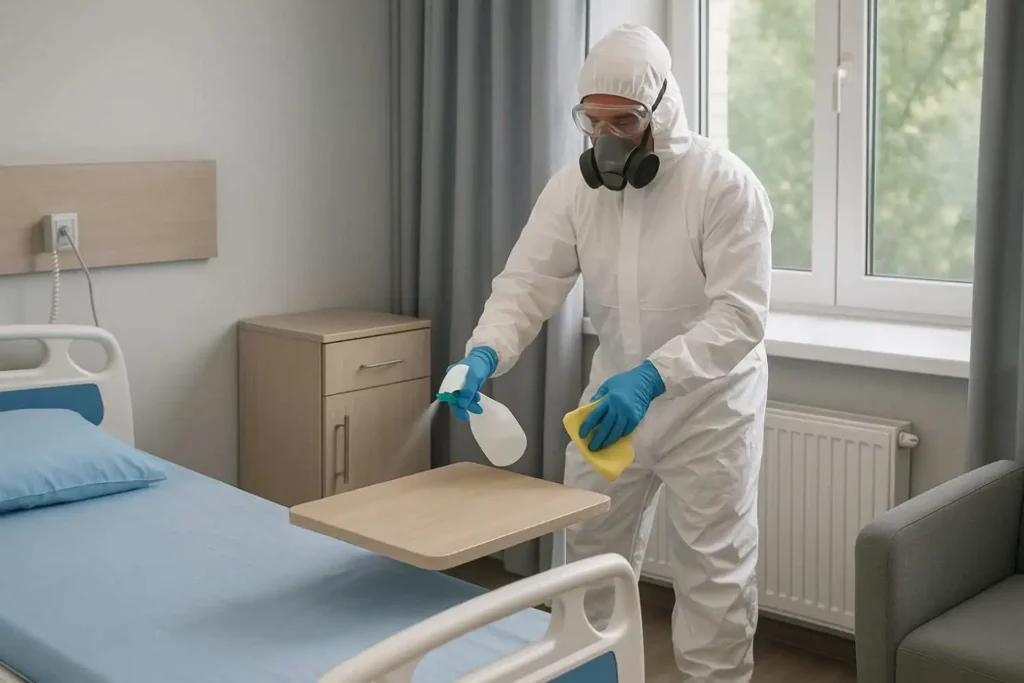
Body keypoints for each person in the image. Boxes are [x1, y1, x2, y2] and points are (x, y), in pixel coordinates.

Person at [447, 24, 772, 682]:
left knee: (714, 582)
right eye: (592, 122)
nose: (606, 138)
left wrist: (655, 376)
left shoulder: (723, 186)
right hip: (613, 404)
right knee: (587, 563)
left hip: (709, 411)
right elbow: (527, 285)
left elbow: (741, 314)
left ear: (660, 111)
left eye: (622, 121)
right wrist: (484, 353)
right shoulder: (574, 188)